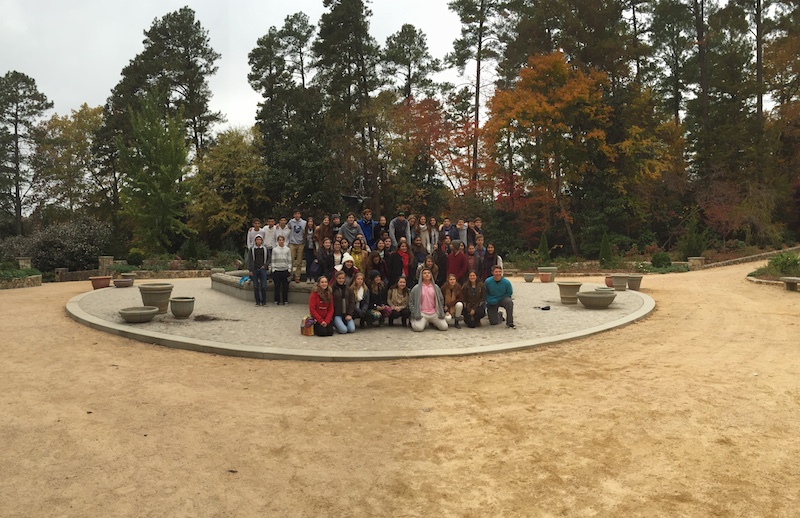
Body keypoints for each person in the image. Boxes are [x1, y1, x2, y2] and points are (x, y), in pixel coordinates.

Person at [408, 267, 449, 332]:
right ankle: (413, 320)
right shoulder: (416, 288)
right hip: (422, 313)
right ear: (421, 275)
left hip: (434, 312)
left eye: (428, 273)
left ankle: (434, 323)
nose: (427, 274)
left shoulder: (436, 287)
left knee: (444, 327)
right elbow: (411, 302)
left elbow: (441, 300)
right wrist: (414, 312)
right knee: (418, 328)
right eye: (424, 273)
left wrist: (439, 309)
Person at [485, 265, 515, 329]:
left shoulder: (506, 282)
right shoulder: (487, 281)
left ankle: (510, 322)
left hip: (502, 298)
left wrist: (499, 298)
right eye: (496, 272)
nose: (498, 273)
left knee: (509, 302)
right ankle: (500, 316)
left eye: (499, 271)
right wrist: (488, 299)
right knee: (493, 322)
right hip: (492, 300)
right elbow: (485, 292)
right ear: (492, 272)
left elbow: (509, 292)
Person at [247, 235, 269, 306]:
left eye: (260, 239)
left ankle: (264, 301)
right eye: (257, 240)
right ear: (255, 241)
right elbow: (250, 260)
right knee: (255, 286)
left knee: (263, 286)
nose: (259, 241)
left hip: (263, 269)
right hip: (255, 269)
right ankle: (257, 301)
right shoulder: (252, 249)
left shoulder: (265, 249)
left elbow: (269, 258)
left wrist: (265, 265)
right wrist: (250, 270)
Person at [270, 235, 292, 305]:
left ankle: (285, 300)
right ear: (278, 241)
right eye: (279, 240)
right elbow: (272, 260)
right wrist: (273, 269)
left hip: (285, 270)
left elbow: (289, 259)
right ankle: (276, 300)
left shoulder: (287, 249)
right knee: (277, 287)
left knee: (285, 287)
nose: (281, 241)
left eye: (282, 240)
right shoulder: (275, 249)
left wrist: (289, 269)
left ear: (284, 241)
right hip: (277, 270)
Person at [287, 210, 307, 283]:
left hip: (301, 243)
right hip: (292, 243)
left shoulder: (304, 223)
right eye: (295, 214)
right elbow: (287, 229)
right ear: (294, 215)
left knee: (299, 262)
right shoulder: (291, 222)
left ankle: (297, 276)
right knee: (291, 260)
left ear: (300, 215)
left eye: (298, 214)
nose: (297, 215)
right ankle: (290, 275)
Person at [304, 216, 317, 284]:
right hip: (307, 248)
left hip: (314, 248)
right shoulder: (305, 230)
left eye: (311, 221)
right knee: (308, 263)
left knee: (313, 263)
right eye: (309, 222)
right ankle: (308, 277)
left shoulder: (316, 229)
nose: (310, 223)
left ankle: (313, 277)